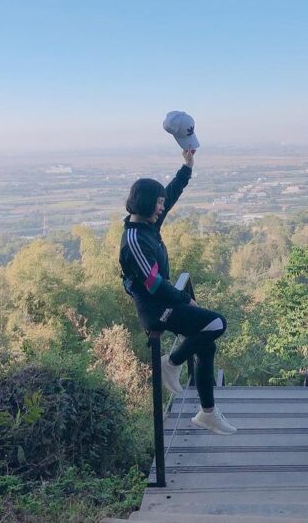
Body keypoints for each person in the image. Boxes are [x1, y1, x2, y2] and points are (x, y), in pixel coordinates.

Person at [119, 149, 236, 435]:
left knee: (206, 344)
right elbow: (153, 284)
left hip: (164, 303)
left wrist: (187, 166)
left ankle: (208, 413)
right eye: (157, 203)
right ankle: (170, 364)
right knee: (216, 323)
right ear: (146, 203)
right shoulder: (134, 239)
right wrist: (186, 299)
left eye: (161, 204)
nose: (161, 208)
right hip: (156, 311)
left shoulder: (147, 224)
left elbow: (171, 195)